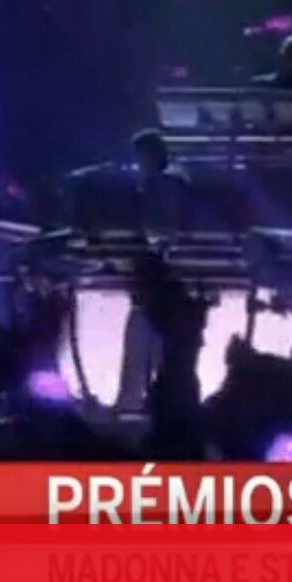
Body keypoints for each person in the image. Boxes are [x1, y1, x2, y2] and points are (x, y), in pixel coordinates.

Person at [117, 130, 192, 413]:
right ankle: (148, 399)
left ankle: (136, 399)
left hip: (161, 284)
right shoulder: (173, 183)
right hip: (164, 285)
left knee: (146, 330)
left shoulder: (160, 186)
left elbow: (159, 232)